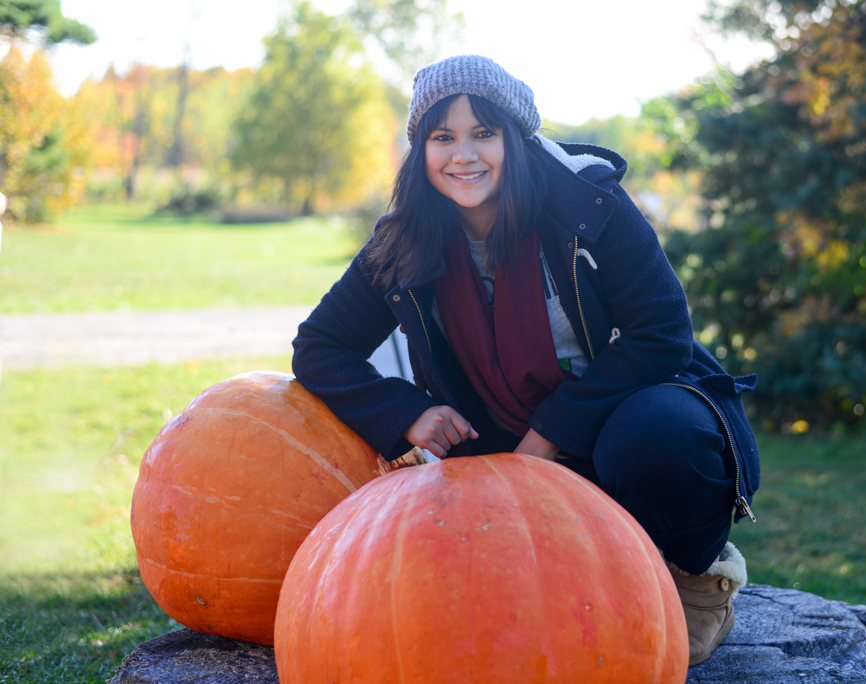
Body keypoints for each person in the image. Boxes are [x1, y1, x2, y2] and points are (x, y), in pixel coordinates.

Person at [292, 55, 760, 666]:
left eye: (484, 133)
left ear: (515, 136)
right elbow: (319, 347)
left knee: (658, 437)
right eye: (443, 137)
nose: (464, 155)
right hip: (501, 448)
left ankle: (696, 580)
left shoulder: (589, 206)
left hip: (621, 416)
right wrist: (406, 412)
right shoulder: (403, 239)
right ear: (422, 149)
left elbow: (662, 331)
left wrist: (553, 431)